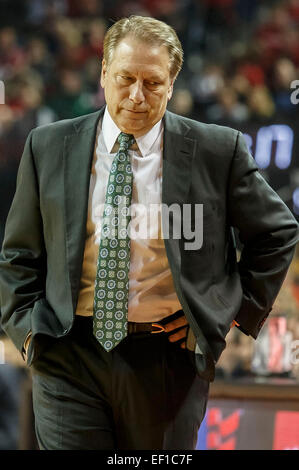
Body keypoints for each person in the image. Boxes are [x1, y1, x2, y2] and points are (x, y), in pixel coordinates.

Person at [0, 15, 298, 451]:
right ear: (103, 72)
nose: (137, 96)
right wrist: (28, 331)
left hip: (168, 359)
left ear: (173, 85)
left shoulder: (218, 150)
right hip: (68, 352)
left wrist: (226, 312)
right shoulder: (47, 145)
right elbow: (18, 254)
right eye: (125, 78)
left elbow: (278, 233)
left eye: (153, 83)